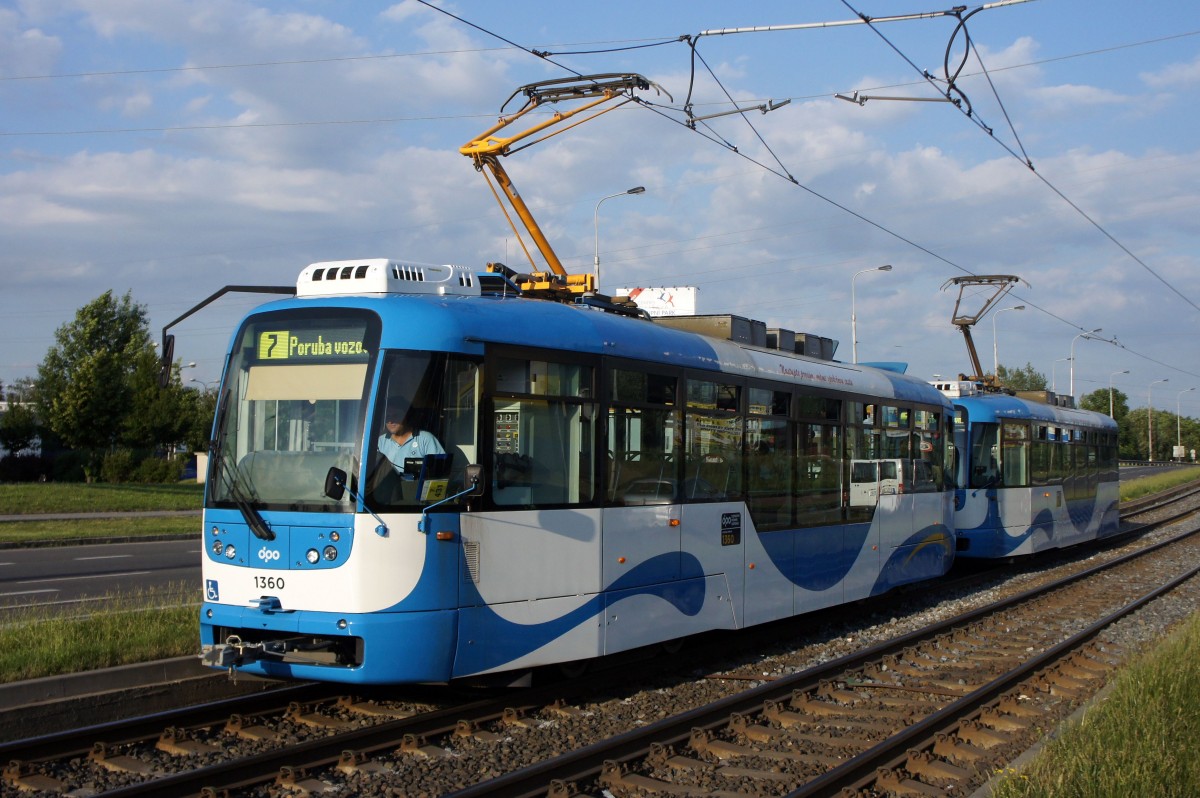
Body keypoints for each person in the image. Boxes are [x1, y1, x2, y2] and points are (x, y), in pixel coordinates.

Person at [377, 403, 444, 474]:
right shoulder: (379, 442)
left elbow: (440, 469)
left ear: (406, 416)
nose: (390, 421)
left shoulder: (425, 438)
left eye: (395, 416)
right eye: (388, 417)